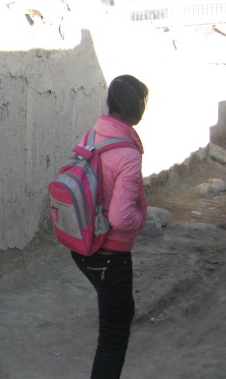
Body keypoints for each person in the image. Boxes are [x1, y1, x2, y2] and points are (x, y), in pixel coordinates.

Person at [70, 75, 149, 379]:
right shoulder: (128, 153)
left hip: (81, 245)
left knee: (119, 314)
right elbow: (120, 218)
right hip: (111, 254)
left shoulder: (91, 136)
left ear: (109, 102)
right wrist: (141, 220)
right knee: (113, 338)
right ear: (138, 107)